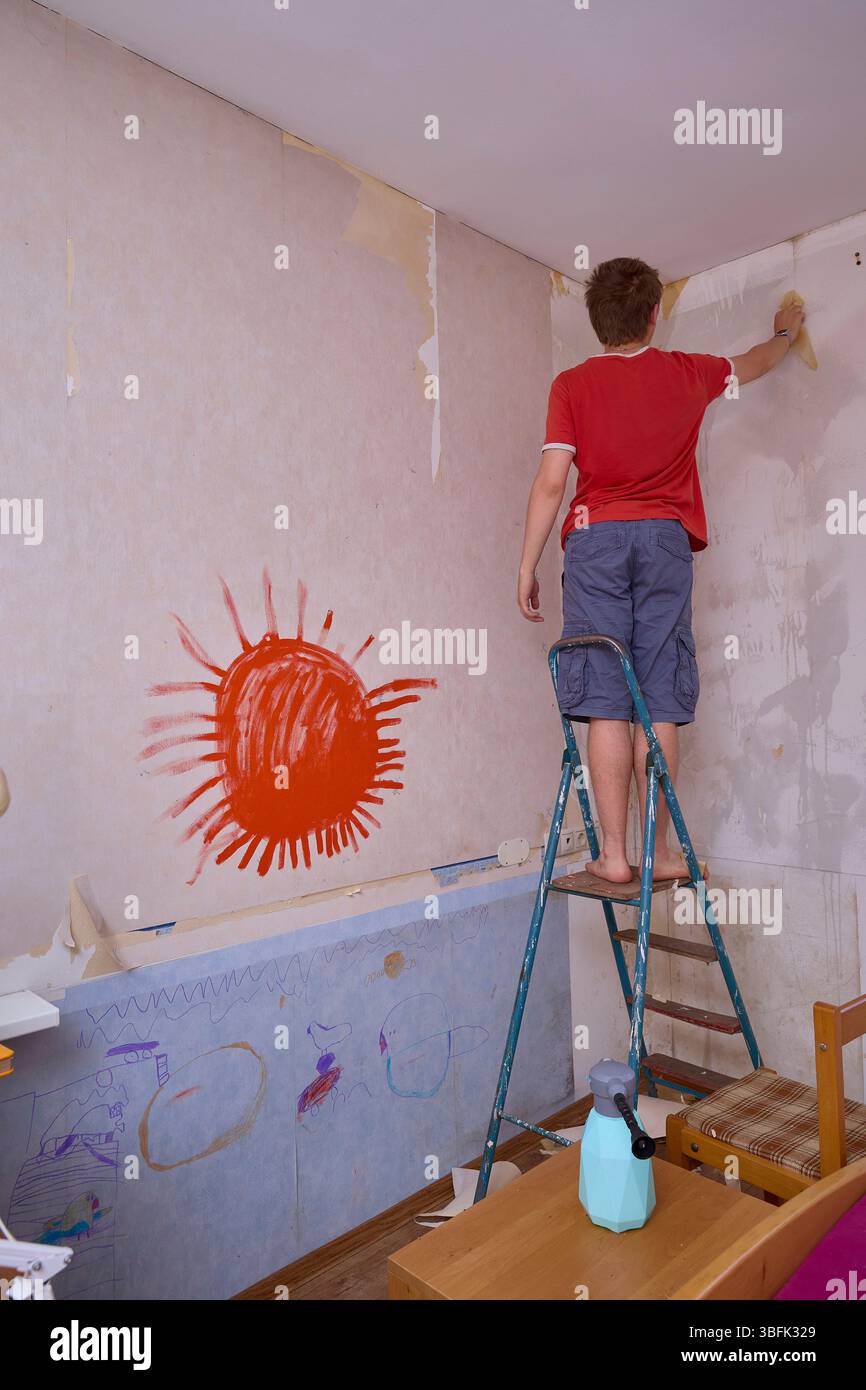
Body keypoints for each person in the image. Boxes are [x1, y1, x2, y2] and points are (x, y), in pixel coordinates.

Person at [517, 256, 805, 884]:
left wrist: (527, 564)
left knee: (604, 701)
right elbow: (753, 364)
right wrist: (785, 333)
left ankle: (614, 855)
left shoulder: (570, 385)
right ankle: (660, 853)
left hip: (594, 543)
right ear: (653, 317)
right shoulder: (686, 372)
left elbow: (550, 483)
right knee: (659, 700)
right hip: (665, 544)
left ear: (598, 323)